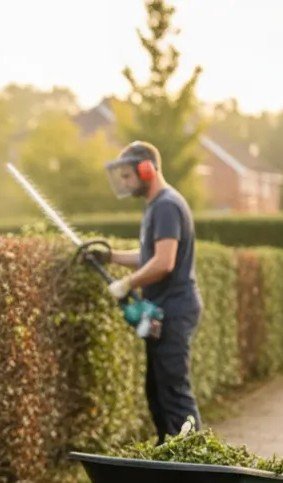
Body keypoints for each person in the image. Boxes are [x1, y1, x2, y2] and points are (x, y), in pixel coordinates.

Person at [99, 141, 204, 445]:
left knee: (174, 393)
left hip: (174, 310)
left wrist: (127, 283)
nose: (124, 182)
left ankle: (194, 461)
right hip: (164, 310)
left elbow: (164, 262)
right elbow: (149, 255)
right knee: (158, 390)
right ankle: (169, 455)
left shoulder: (167, 205)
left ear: (147, 169)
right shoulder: (156, 206)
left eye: (128, 175)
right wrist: (110, 256)